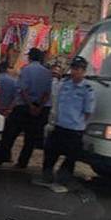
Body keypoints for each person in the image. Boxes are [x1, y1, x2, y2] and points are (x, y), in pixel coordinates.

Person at [34, 56, 96, 193]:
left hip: (74, 129)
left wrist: (79, 123)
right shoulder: (65, 84)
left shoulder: (87, 89)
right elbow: (56, 100)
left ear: (84, 71)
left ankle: (62, 182)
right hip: (59, 125)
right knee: (50, 153)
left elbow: (88, 112)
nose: (75, 71)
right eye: (73, 68)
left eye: (78, 69)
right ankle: (47, 178)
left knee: (70, 158)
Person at [0, 48, 52, 168]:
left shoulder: (26, 70)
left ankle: (1, 158)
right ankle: (22, 163)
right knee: (30, 139)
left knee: (9, 134)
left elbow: (22, 90)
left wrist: (30, 105)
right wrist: (38, 107)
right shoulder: (47, 72)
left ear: (30, 57)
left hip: (23, 107)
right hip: (41, 109)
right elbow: (47, 93)